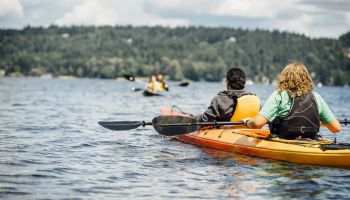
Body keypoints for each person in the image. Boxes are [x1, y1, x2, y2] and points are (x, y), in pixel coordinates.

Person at [242, 63, 341, 139]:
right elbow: (336, 128)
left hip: (283, 143)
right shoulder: (316, 97)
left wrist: (247, 121)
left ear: (284, 78)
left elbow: (257, 124)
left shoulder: (279, 95)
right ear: (307, 79)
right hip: (310, 142)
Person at [196, 68, 260, 122]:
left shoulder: (219, 99)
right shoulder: (254, 99)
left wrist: (197, 118)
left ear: (227, 82)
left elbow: (205, 119)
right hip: (248, 131)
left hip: (225, 132)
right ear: (244, 83)